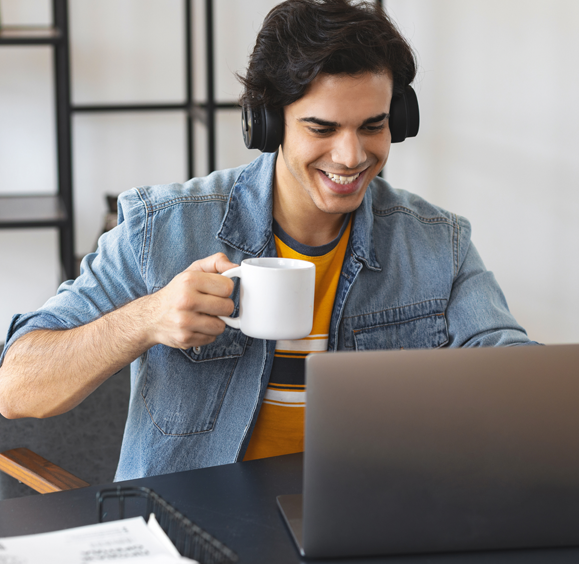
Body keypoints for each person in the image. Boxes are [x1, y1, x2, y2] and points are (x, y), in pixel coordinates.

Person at [0, 0, 533, 480]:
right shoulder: (161, 228)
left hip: (370, 521)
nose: (351, 156)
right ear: (268, 125)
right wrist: (148, 318)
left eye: (372, 126)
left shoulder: (438, 244)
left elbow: (520, 376)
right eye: (322, 129)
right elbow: (16, 386)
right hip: (190, 532)